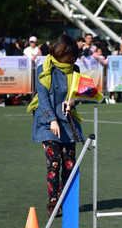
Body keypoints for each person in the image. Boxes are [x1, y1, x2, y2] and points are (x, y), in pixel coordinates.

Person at [28, 34, 84, 218]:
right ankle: (53, 202)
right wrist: (51, 119)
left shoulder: (75, 69)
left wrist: (74, 101)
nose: (73, 58)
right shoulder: (43, 69)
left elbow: (80, 92)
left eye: (75, 54)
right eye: (70, 54)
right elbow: (43, 98)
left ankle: (65, 198)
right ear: (61, 52)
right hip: (46, 121)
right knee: (54, 163)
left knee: (70, 164)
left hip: (67, 120)